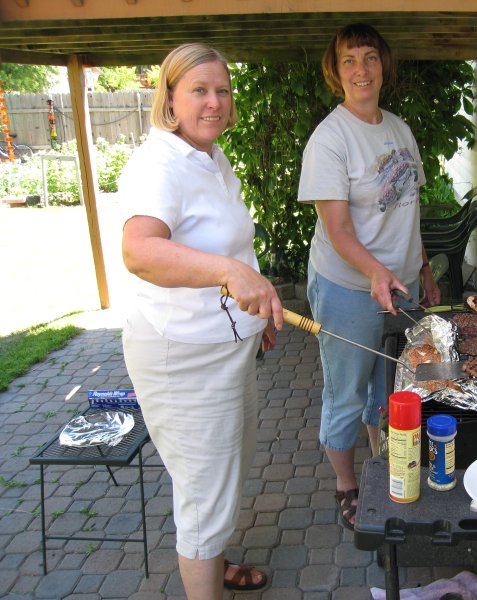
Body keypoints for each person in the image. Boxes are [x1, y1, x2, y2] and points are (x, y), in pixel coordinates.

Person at [119, 43, 282, 598]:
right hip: (182, 357)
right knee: (203, 492)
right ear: (169, 98)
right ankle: (204, 578)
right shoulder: (157, 163)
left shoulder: (211, 158)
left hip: (226, 346)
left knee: (222, 475)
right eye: (199, 90)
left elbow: (232, 245)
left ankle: (214, 560)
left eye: (223, 90)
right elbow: (140, 251)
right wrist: (232, 274)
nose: (215, 102)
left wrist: (256, 311)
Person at [297, 23, 440, 529]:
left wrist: (422, 268)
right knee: (348, 388)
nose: (362, 69)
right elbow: (337, 231)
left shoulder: (399, 129)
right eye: (350, 60)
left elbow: (409, 207)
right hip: (349, 288)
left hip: (396, 286)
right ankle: (346, 484)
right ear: (336, 73)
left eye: (370, 58)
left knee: (392, 384)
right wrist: (378, 273)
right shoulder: (330, 140)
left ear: (384, 65)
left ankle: (383, 467)